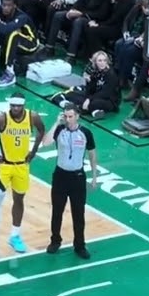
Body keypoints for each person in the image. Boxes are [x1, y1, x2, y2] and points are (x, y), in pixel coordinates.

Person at [0, 94, 46, 260]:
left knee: (19, 200)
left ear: (23, 106)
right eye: (12, 105)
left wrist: (34, 150)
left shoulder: (32, 116)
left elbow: (41, 130)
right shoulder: (1, 119)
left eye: (18, 106)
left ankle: (15, 235)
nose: (15, 108)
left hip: (22, 165)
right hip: (4, 166)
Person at [42, 104, 98, 258]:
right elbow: (45, 143)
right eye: (65, 116)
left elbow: (92, 155)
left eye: (70, 116)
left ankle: (79, 245)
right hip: (60, 176)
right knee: (57, 211)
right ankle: (55, 241)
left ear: (77, 116)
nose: (67, 119)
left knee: (79, 213)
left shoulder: (86, 133)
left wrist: (94, 177)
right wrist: (56, 122)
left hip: (77, 178)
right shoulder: (60, 130)